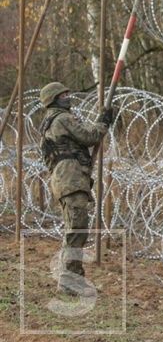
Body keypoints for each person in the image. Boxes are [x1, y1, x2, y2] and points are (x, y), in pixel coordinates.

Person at [39, 82, 114, 296]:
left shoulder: (51, 120)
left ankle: (73, 279)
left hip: (66, 179)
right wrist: (104, 122)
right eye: (63, 94)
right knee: (76, 230)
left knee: (75, 229)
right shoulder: (62, 118)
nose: (68, 96)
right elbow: (88, 136)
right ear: (54, 99)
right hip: (70, 179)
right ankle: (69, 282)